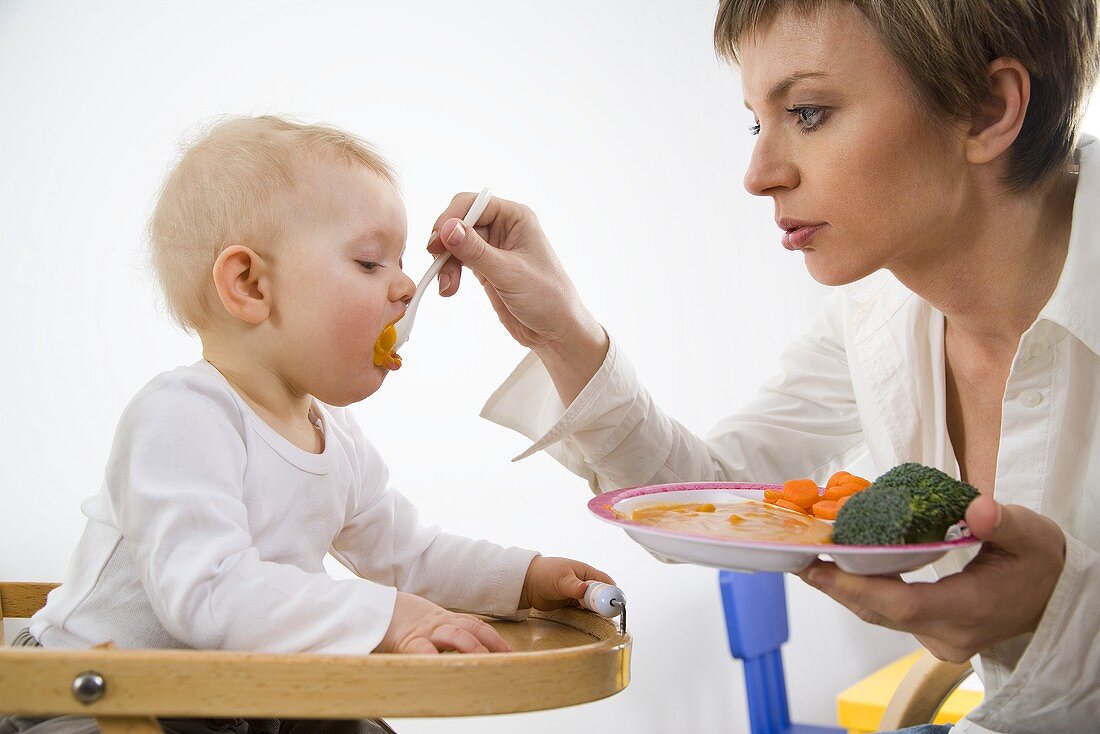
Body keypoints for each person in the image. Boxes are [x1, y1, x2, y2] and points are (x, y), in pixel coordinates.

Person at [420, 1, 1100, 733]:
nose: (758, 175)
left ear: (988, 108)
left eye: (807, 112)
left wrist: (1059, 620)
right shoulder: (874, 315)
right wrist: (564, 333)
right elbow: (713, 499)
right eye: (757, 120)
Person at [3, 116, 614, 734]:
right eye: (371, 262)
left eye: (400, 263)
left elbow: (406, 553)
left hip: (237, 697)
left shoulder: (334, 432)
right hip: (89, 699)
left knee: (358, 726)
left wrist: (525, 580)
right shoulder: (181, 415)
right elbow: (209, 593)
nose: (406, 287)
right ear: (249, 284)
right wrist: (391, 619)